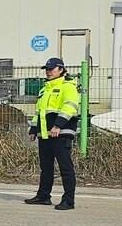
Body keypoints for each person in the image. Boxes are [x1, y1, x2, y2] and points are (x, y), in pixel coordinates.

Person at [25, 57, 81, 211]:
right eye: (47, 69)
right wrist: (34, 130)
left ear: (61, 69)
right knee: (46, 167)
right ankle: (43, 196)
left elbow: (70, 108)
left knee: (65, 167)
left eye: (52, 69)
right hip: (45, 134)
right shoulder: (45, 88)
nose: (48, 72)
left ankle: (69, 201)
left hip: (61, 133)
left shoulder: (68, 86)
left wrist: (58, 126)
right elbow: (40, 112)